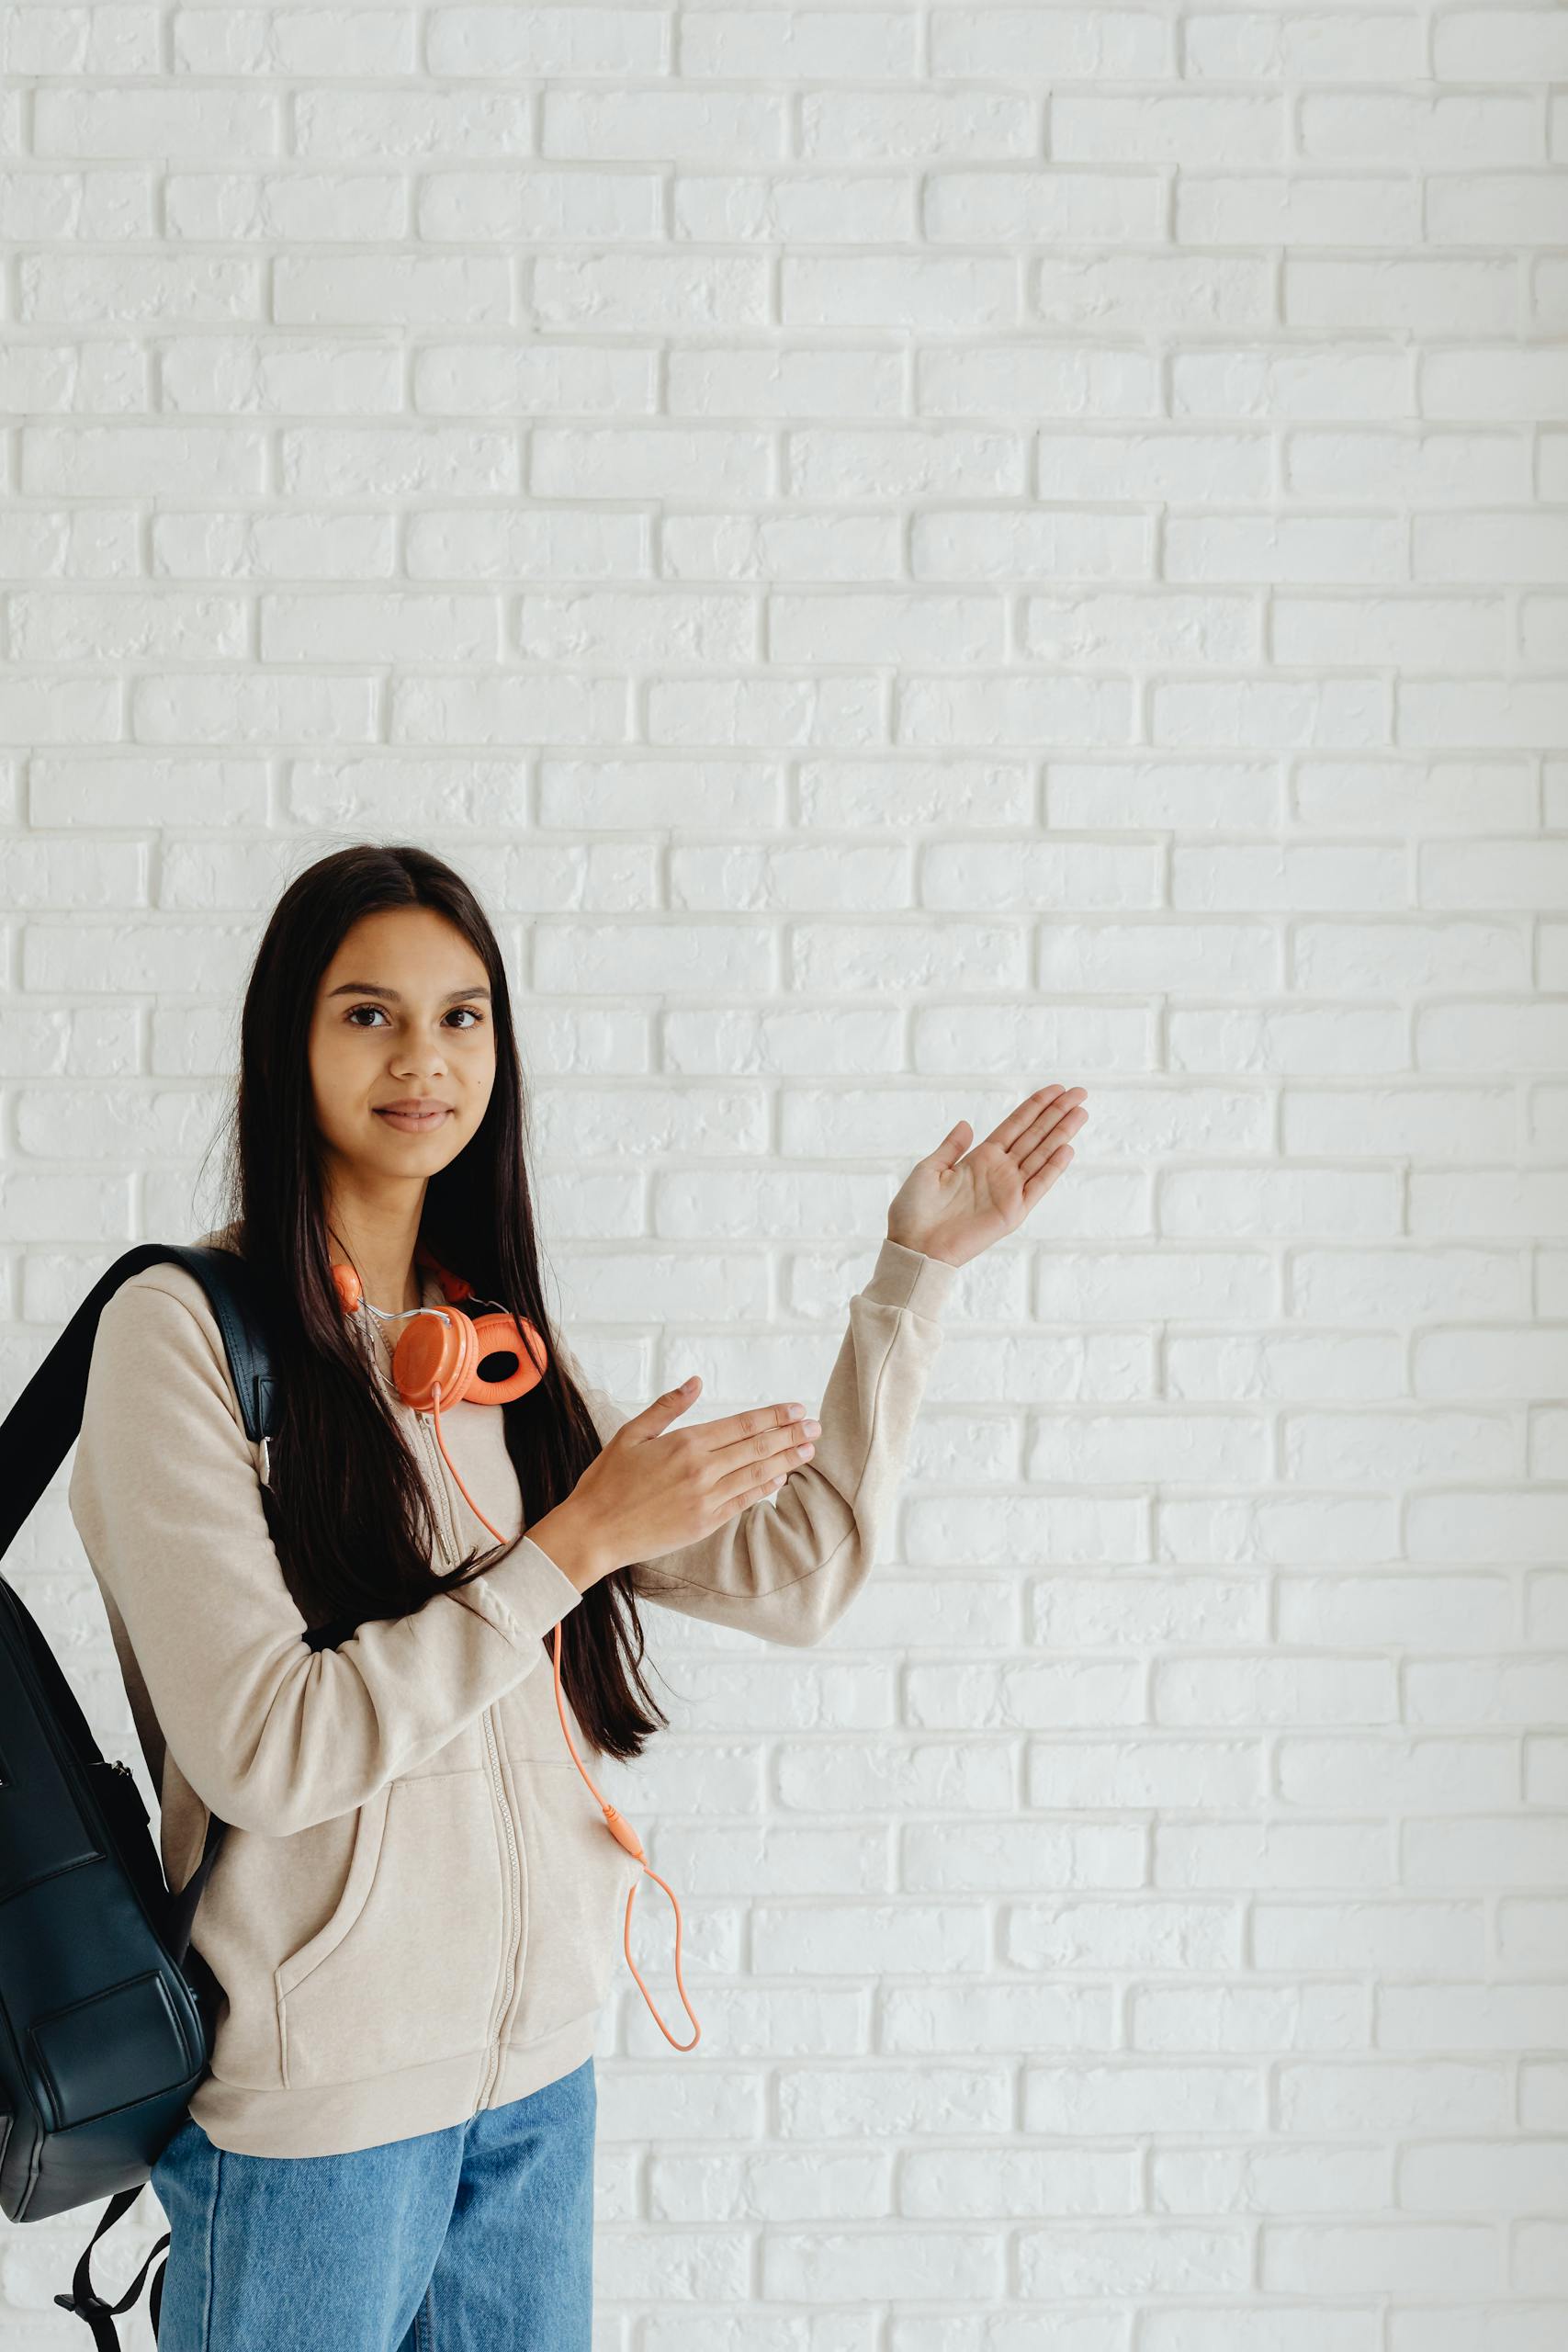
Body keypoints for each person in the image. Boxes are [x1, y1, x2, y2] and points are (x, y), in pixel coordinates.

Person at [67, 841, 1088, 2350]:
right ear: (287, 1042)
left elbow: (796, 1576)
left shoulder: (493, 1346)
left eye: (464, 1015)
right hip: (318, 2121)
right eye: (369, 1014)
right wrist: (570, 1547)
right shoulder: (183, 1335)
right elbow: (267, 1749)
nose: (425, 1057)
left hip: (536, 2090)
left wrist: (911, 1279)